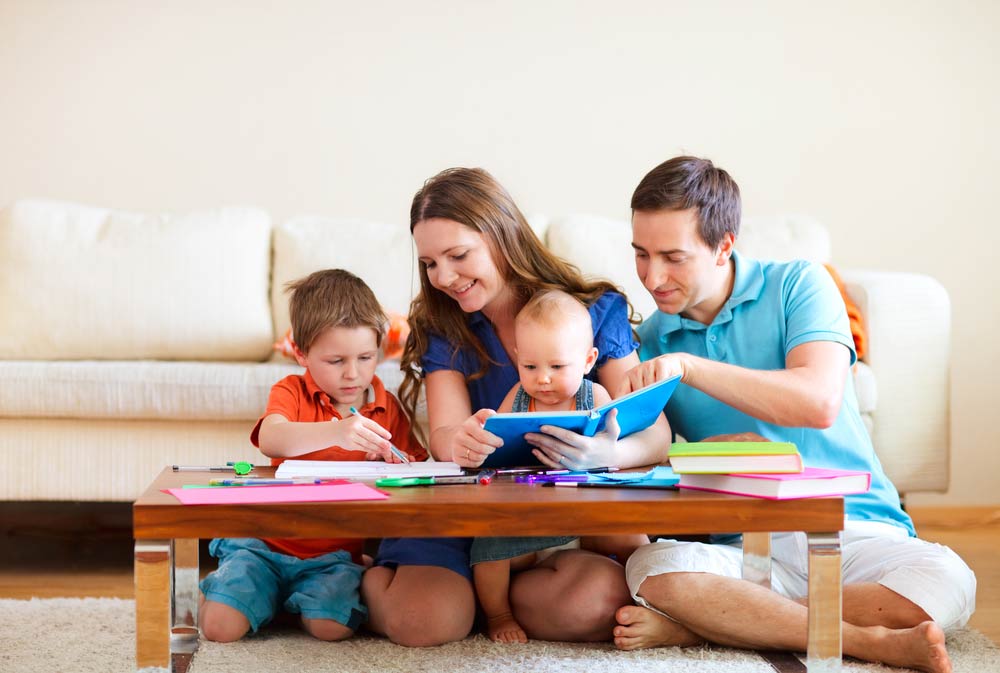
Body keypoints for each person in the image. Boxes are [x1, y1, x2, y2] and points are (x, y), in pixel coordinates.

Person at [612, 156, 976, 673]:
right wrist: (691, 456)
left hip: (856, 528)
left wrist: (690, 367)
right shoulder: (646, 344)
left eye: (673, 256)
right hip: (749, 552)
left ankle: (711, 626)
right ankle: (867, 642)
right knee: (648, 569)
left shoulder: (797, 286)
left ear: (724, 247)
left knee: (950, 580)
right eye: (641, 254)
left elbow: (818, 401)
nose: (652, 276)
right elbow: (649, 459)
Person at [382, 166, 670, 644]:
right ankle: (391, 577)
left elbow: (655, 432)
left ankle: (490, 597)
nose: (444, 277)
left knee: (597, 603)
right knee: (425, 621)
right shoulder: (445, 325)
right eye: (430, 263)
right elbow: (445, 435)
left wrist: (609, 456)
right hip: (477, 508)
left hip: (563, 519)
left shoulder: (592, 311)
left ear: (502, 236)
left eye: (458, 255)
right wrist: (463, 442)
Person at [199, 269, 426, 643]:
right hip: (263, 547)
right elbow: (272, 438)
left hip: (332, 558)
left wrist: (399, 465)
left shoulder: (387, 408)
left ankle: (285, 601)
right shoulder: (291, 391)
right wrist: (339, 431)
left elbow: (415, 468)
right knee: (219, 628)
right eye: (336, 361)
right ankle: (245, 590)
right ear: (302, 354)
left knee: (332, 629)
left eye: (366, 357)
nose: (353, 374)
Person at [471, 289, 648, 643]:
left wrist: (609, 445)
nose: (543, 379)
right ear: (518, 359)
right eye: (530, 366)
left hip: (584, 516)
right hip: (527, 523)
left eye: (557, 366)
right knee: (488, 547)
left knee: (634, 536)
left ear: (587, 360)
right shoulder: (517, 399)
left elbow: (616, 446)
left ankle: (654, 594)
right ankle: (498, 615)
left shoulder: (594, 396)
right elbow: (499, 448)